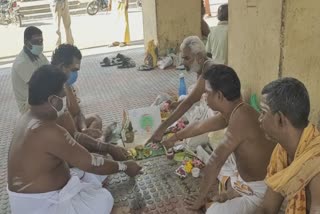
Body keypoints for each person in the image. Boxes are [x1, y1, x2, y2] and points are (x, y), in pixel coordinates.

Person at [7, 65, 142, 214]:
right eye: (63, 97)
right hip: (42, 206)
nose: (66, 104)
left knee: (98, 168)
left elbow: (78, 145)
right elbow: (91, 163)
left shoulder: (28, 117)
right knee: (103, 200)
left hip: (43, 194)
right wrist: (124, 167)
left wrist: (107, 150)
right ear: (52, 100)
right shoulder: (47, 130)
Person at [162, 64, 275, 213]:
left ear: (219, 96)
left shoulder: (241, 117)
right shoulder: (234, 111)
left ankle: (232, 195)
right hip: (242, 180)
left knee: (213, 211)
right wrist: (173, 138)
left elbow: (216, 160)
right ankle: (232, 193)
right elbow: (199, 126)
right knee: (223, 167)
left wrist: (200, 198)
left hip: (259, 192)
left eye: (207, 92)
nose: (204, 96)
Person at [257, 78, 320, 214]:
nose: (259, 119)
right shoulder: (282, 152)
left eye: (263, 112)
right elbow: (267, 208)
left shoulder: (316, 165)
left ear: (280, 119)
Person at [148, 36, 212, 143]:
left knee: (189, 142)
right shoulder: (202, 66)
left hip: (216, 116)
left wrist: (161, 129)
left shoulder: (208, 69)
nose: (184, 63)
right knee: (182, 99)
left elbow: (190, 101)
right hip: (206, 109)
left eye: (187, 58)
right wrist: (179, 104)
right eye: (183, 58)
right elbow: (194, 99)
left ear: (199, 57)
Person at [51, 44, 103, 139]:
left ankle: (86, 145)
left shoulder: (65, 83)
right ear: (62, 67)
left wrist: (84, 129)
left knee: (96, 119)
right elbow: (61, 126)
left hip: (68, 129)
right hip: (54, 137)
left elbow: (77, 112)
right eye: (73, 70)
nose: (75, 74)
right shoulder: (47, 85)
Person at [11, 26, 49, 114]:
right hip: (28, 105)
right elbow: (39, 86)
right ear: (26, 42)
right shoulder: (22, 63)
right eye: (36, 41)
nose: (40, 44)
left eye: (41, 41)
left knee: (69, 89)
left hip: (39, 96)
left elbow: (50, 71)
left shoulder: (39, 55)